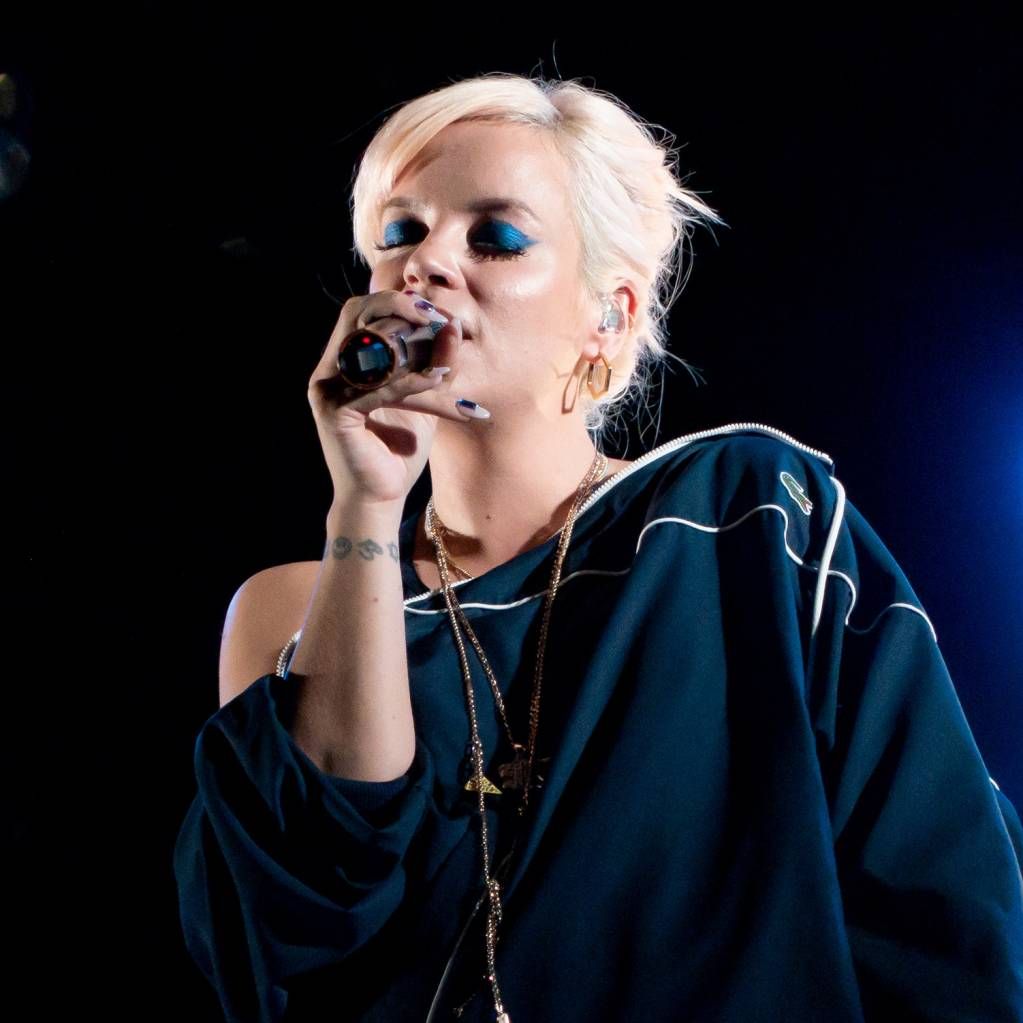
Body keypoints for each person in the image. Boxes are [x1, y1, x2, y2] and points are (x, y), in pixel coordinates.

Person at [172, 72, 1023, 1022]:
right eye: (400, 233)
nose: (425, 264)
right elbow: (299, 919)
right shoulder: (292, 608)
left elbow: (945, 900)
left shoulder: (745, 517)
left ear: (607, 315)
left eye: (494, 237)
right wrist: (366, 504)